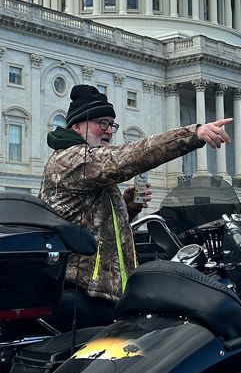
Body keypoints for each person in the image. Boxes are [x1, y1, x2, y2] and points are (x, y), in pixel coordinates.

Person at [41, 85, 231, 327]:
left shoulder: (88, 167)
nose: (109, 130)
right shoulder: (71, 158)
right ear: (77, 126)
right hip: (84, 294)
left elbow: (92, 226)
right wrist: (193, 134)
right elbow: (126, 157)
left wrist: (127, 207)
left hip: (105, 293)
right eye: (102, 123)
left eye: (112, 125)